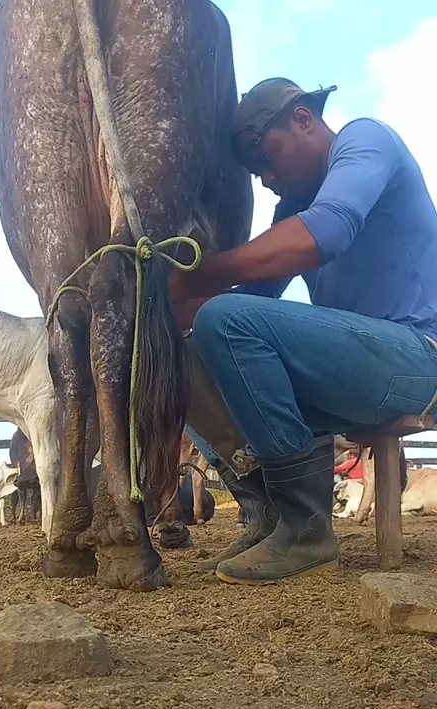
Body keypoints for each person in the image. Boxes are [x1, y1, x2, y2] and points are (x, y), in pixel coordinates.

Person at [169, 77, 437, 586]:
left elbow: (328, 231)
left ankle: (305, 531)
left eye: (268, 158)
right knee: (182, 349)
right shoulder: (293, 208)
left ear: (303, 119)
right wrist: (158, 308)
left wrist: (201, 275)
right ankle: (270, 515)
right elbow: (254, 297)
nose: (267, 178)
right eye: (256, 172)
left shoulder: (365, 140)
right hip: (359, 372)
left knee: (224, 319)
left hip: (420, 358)